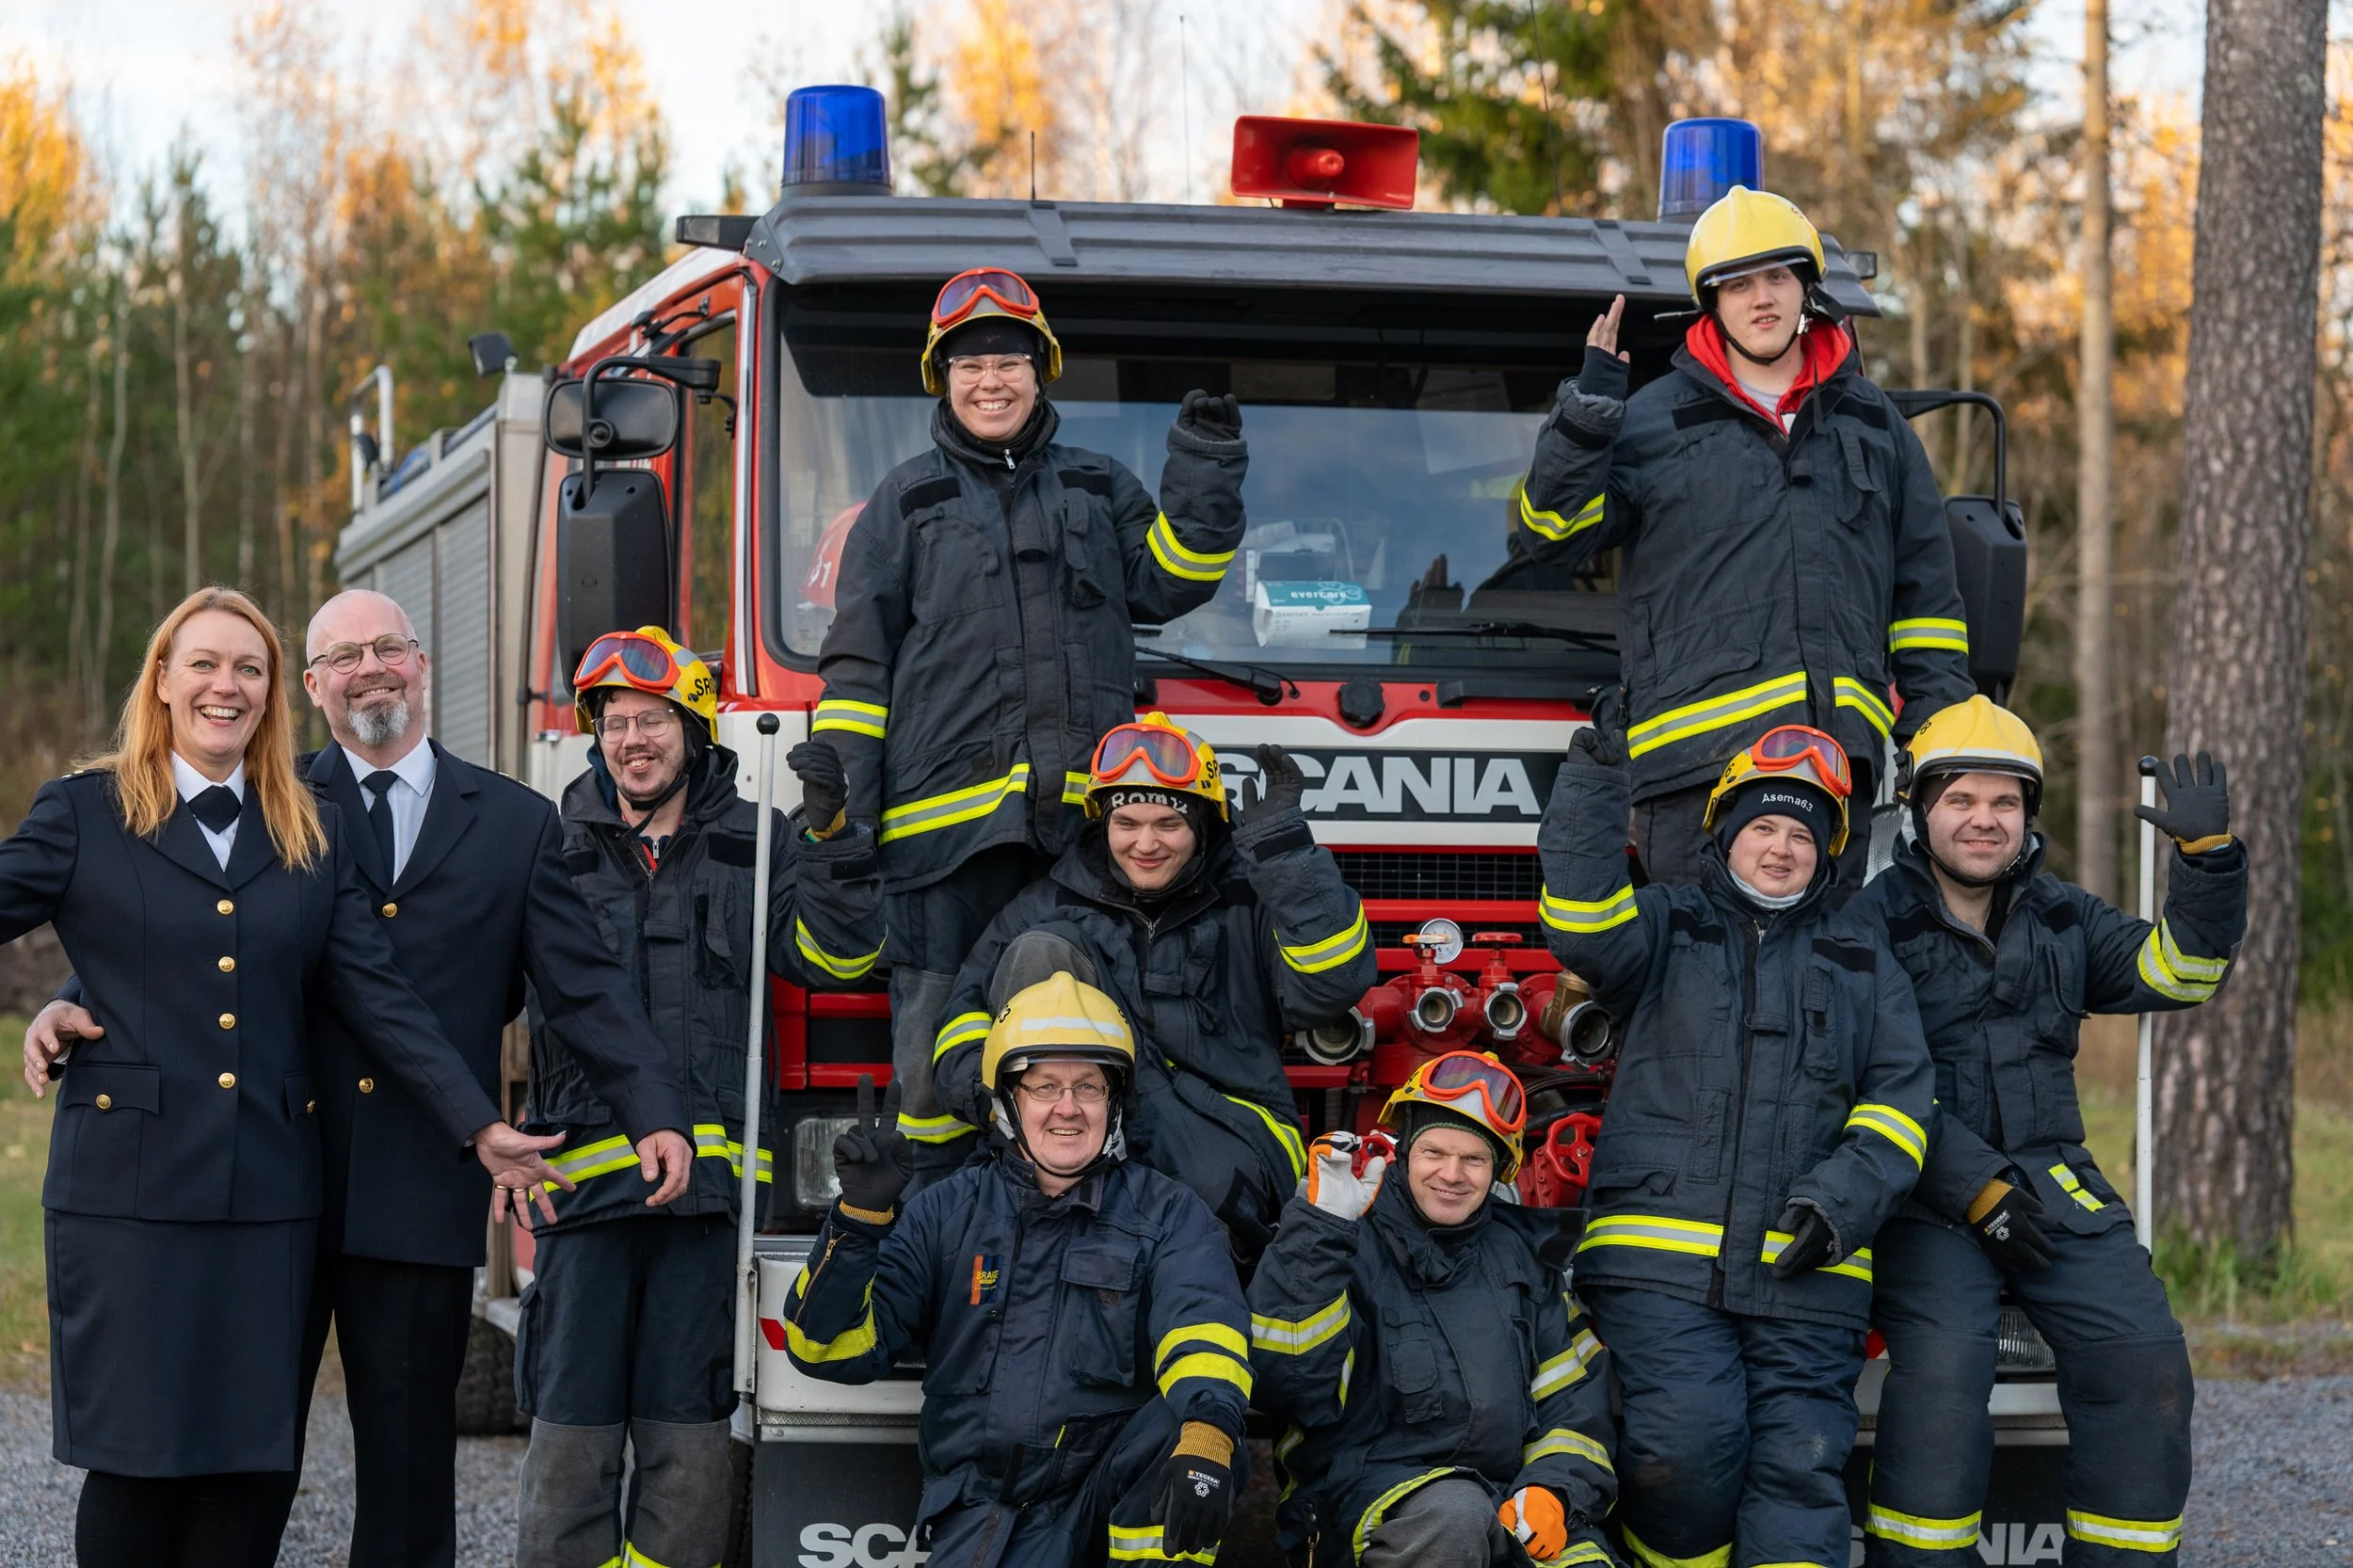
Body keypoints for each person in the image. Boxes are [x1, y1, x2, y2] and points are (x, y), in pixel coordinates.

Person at [24, 589, 696, 1568]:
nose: (369, 667)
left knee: (411, 1466)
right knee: (238, 1461)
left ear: (422, 665)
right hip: (259, 1181)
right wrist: (65, 1000)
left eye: (388, 647)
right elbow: (161, 930)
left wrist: (649, 1109)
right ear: (312, 685)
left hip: (416, 1182)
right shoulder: (255, 795)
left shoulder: (510, 823)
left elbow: (583, 990)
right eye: (344, 655)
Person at [813, 266, 1250, 1182]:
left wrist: (1204, 472)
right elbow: (857, 672)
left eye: (1008, 359)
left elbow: (1173, 578)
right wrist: (846, 816)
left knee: (1085, 1046)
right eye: (969, 364)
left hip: (1077, 848)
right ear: (941, 377)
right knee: (933, 1065)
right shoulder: (903, 505)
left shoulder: (1099, 487)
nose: (990, 381)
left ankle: (1082, 1234)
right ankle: (928, 1238)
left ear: (1041, 369)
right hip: (943, 851)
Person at [512, 626, 884, 1568]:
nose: (632, 739)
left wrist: (834, 842)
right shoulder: (546, 847)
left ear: (694, 726)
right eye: (614, 722)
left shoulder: (758, 842)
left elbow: (835, 960)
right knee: (570, 1438)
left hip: (708, 1205)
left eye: (652, 720)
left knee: (690, 1445)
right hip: (581, 1198)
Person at [1852, 698, 2245, 1566]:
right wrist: (1973, 1191)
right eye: (1961, 801)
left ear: (2029, 816)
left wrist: (2207, 865)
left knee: (2145, 1369)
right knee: (1944, 1386)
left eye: (2005, 802)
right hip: (1922, 1192)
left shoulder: (2065, 917)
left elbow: (2180, 973)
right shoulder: (1866, 926)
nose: (1983, 820)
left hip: (2050, 1184)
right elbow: (1874, 1083)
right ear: (1920, 810)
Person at [1536, 720, 1933, 1568]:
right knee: (1681, 1456)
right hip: (1658, 1271)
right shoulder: (1662, 924)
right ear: (1724, 834)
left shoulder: (1863, 959)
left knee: (1801, 1470)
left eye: (1802, 833)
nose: (1781, 848)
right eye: (1763, 827)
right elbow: (1577, 925)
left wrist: (1840, 1203)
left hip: (1808, 1272)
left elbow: (1901, 1104)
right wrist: (1594, 794)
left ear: (1827, 852)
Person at [1516, 185, 1975, 885]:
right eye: (1737, 285)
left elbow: (1927, 605)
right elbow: (1549, 535)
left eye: (1777, 277)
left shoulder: (1875, 425)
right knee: (1701, 988)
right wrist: (1587, 414)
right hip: (1694, 777)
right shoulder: (1647, 421)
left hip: (1838, 775)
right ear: (1712, 303)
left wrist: (1934, 740)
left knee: (1832, 984)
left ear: (1805, 290)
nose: (1761, 298)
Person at [784, 974, 1254, 1568]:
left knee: (1187, 1429)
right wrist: (858, 1222)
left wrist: (1209, 1438)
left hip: (1101, 1506)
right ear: (1008, 1101)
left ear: (1113, 1103)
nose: (1068, 1108)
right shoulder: (945, 1214)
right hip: (983, 1514)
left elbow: (1205, 1329)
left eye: (1089, 1087)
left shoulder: (1169, 1215)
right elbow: (824, 1351)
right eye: (1044, 1087)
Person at [930, 715, 1370, 1258]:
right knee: (1043, 951)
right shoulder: (1048, 906)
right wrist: (1009, 1106)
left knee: (1205, 1212)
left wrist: (1285, 855)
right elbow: (964, 1022)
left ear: (1203, 824)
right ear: (1102, 823)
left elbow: (1334, 985)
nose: (1145, 844)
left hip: (1232, 1122)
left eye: (1168, 824)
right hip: (1083, 1116)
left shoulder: (1251, 898)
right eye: (1127, 823)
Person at [1248, 1052, 1623, 1568]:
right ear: (1404, 1154)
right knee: (1455, 1514)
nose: (1452, 1174)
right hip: (1363, 1500)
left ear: (1497, 1170)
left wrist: (1554, 1490)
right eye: (1434, 1152)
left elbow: (1575, 1403)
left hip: (1509, 1498)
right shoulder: (1344, 1241)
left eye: (1474, 1159)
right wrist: (1317, 1235)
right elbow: (1285, 1387)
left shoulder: (1523, 1260)